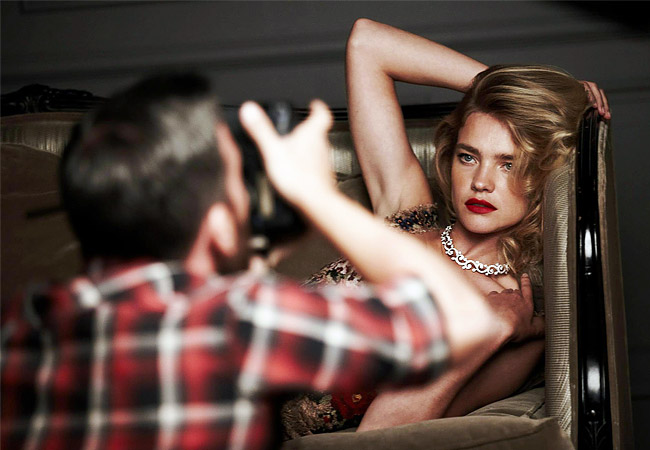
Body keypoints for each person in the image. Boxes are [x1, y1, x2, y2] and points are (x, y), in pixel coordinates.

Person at [0, 73, 543, 450]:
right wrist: (314, 196)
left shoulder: (29, 321)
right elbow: (458, 322)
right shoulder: (248, 319)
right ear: (216, 228)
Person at [281, 18, 610, 437]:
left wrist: (493, 331)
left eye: (509, 164)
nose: (481, 182)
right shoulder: (408, 216)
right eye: (468, 156)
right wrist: (511, 91)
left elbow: (376, 437)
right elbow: (368, 43)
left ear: (544, 176)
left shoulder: (515, 323)